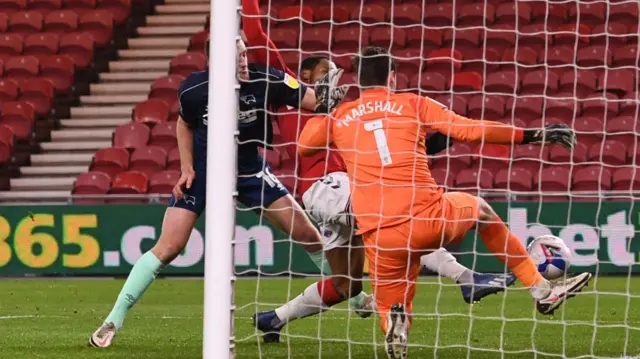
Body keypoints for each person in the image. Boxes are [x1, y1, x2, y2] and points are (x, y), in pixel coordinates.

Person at [297, 46, 592, 358]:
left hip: (382, 235)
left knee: (389, 306)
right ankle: (542, 290)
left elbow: (303, 148)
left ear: (359, 79)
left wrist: (322, 109)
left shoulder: (341, 116)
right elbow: (469, 130)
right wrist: (532, 136)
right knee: (482, 211)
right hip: (429, 217)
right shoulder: (413, 103)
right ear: (392, 77)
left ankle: (394, 323)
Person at [89, 38, 341, 348]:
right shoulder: (194, 90)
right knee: (169, 246)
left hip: (249, 170)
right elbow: (184, 124)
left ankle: (353, 297)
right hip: (206, 173)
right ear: (216, 61)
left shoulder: (267, 78)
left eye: (245, 53)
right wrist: (186, 168)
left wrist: (328, 85)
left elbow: (316, 102)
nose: (244, 60)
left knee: (308, 234)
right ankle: (113, 319)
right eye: (236, 56)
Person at [252, 55, 517, 343]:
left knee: (346, 284)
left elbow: (377, 153)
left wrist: (429, 145)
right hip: (329, 186)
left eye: (335, 71)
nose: (333, 76)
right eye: (325, 71)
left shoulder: (342, 111)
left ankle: (274, 319)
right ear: (303, 74)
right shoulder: (294, 98)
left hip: (342, 192)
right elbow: (263, 45)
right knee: (398, 218)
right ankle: (466, 278)